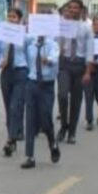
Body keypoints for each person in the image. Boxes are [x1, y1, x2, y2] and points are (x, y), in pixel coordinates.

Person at [20, 30, 62, 170]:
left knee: (45, 117)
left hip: (46, 84)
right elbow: (26, 60)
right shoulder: (31, 44)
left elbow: (54, 58)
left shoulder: (52, 44)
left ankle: (52, 143)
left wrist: (48, 60)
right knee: (30, 119)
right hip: (32, 83)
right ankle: (29, 156)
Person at [56, 0, 92, 144]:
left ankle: (72, 131)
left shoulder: (86, 28)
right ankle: (64, 125)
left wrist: (88, 72)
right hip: (64, 63)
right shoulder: (61, 26)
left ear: (81, 10)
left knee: (76, 100)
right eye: (70, 8)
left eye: (75, 8)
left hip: (79, 64)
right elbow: (54, 43)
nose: (72, 10)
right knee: (62, 95)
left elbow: (90, 51)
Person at [0, 7, 28, 157]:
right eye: (9, 17)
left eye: (14, 17)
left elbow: (30, 55)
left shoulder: (26, 36)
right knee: (9, 107)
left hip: (21, 72)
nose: (11, 19)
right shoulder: (1, 36)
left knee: (15, 106)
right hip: (6, 72)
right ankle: (12, 135)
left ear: (19, 19)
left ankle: (10, 139)